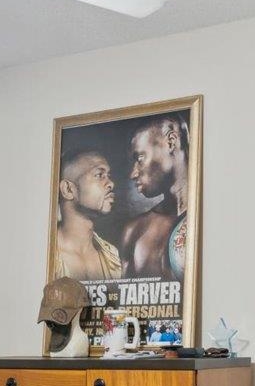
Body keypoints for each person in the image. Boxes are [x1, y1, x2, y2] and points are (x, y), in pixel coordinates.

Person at [119, 116, 190, 281]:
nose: (133, 173)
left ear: (171, 141)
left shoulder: (213, 219)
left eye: (140, 158)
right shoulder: (134, 231)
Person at [52, 149, 122, 281]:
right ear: (68, 189)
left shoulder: (112, 257)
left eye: (108, 175)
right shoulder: (46, 254)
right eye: (99, 175)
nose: (111, 184)